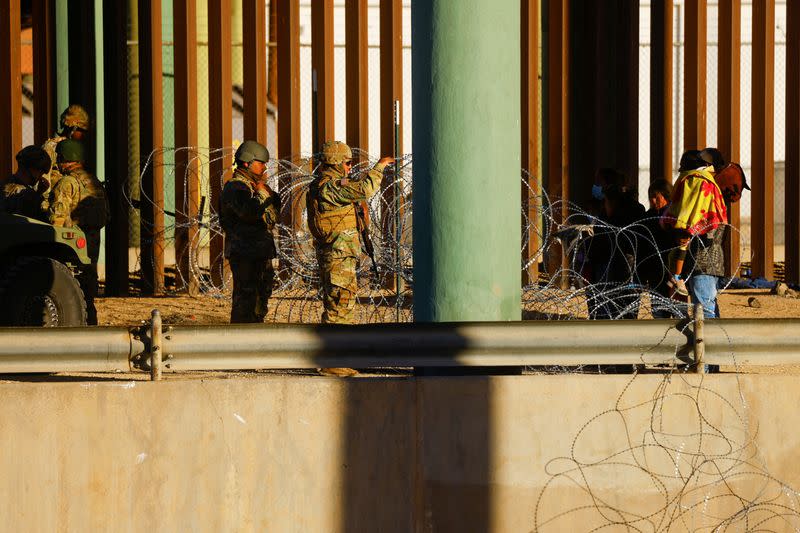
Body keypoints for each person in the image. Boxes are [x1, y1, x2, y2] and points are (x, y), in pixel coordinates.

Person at [307, 141, 392, 376]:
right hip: (337, 256)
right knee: (339, 308)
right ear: (336, 163)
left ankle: (337, 359)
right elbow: (364, 189)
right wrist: (380, 167)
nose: (349, 167)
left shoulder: (330, 185)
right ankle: (333, 363)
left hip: (341, 255)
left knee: (342, 306)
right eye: (346, 163)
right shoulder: (327, 187)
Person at [662, 150, 749, 318]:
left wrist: (682, 227)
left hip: (703, 262)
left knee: (705, 310)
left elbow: (696, 224)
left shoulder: (705, 188)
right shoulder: (707, 188)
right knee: (704, 309)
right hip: (700, 262)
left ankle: (709, 342)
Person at [48, 139, 109, 325]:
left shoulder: (67, 183)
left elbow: (55, 221)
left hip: (71, 245)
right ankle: (91, 325)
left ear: (65, 158)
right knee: (88, 291)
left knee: (69, 291)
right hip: (92, 241)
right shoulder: (94, 182)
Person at [220, 140, 280, 324]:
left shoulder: (254, 185)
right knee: (245, 304)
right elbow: (250, 213)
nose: (264, 167)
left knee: (259, 302)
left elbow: (275, 208)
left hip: (257, 252)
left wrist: (264, 192)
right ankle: (241, 344)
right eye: (260, 163)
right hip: (246, 253)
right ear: (247, 162)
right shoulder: (237, 187)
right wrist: (262, 193)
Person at [584, 168, 645, 319]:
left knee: (619, 304)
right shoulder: (600, 207)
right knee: (603, 303)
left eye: (599, 182)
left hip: (622, 261)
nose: (596, 186)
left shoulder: (628, 210)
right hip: (603, 261)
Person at [638, 178, 674, 318]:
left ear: (666, 196)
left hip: (672, 268)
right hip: (654, 269)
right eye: (650, 197)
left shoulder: (672, 215)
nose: (653, 201)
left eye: (656, 197)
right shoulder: (648, 217)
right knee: (658, 308)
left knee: (677, 307)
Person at [42, 104, 91, 192]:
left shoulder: (79, 147)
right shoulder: (51, 147)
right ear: (73, 128)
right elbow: (44, 180)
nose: (85, 135)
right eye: (82, 131)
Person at [0, 146, 51, 220]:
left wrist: (38, 193)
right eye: (41, 172)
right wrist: (38, 196)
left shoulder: (4, 183)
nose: (41, 177)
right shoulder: (26, 194)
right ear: (33, 170)